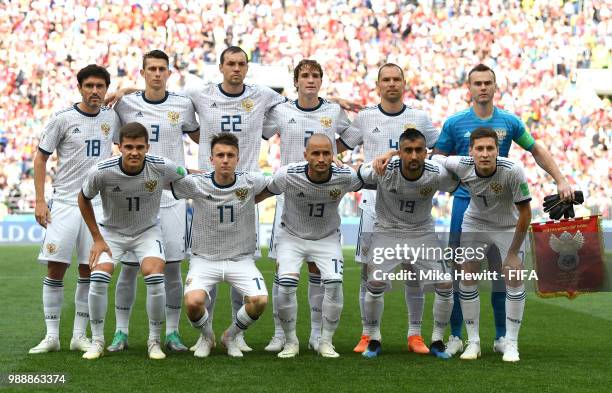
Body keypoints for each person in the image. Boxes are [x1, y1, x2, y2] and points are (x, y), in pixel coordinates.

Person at [432, 63, 572, 356]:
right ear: (468, 88)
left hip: (503, 207)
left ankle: (501, 337)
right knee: (462, 272)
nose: (482, 87)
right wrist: (445, 189)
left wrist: (560, 179)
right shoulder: (454, 123)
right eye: (477, 83)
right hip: (465, 206)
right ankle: (458, 336)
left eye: (487, 83)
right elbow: (437, 161)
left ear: (495, 87)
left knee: (503, 272)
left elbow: (535, 149)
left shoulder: (509, 122)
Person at [261, 59, 359, 352]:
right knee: (283, 269)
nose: (310, 80)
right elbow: (262, 131)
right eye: (305, 75)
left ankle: (317, 334)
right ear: (296, 81)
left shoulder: (332, 110)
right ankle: (280, 333)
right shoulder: (281, 110)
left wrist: (326, 157)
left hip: (321, 191)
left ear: (321, 80)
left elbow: (351, 137)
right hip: (288, 193)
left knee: (319, 269)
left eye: (316, 75)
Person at [343, 63, 440, 354]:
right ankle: (368, 333)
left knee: (414, 272)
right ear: (378, 85)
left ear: (404, 83)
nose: (392, 84)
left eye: (397, 79)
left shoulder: (419, 117)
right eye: (386, 80)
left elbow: (438, 149)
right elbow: (341, 144)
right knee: (368, 271)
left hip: (411, 206)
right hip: (374, 203)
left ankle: (415, 334)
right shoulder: (365, 116)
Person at [108, 49, 199, 353]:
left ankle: (172, 333)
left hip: (171, 196)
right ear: (143, 72)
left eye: (162, 69)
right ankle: (121, 332)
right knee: (130, 268)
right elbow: (104, 106)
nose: (157, 73)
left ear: (169, 73)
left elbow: (202, 135)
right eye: (152, 69)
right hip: (135, 196)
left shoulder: (182, 105)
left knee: (172, 268)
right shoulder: (126, 104)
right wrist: (122, 90)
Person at [77, 122, 189, 360]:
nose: (134, 152)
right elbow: (83, 198)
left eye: (139, 147)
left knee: (155, 275)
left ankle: (154, 341)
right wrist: (97, 238)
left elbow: (185, 175)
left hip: (147, 232)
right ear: (119, 147)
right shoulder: (102, 171)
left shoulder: (161, 166)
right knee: (98, 277)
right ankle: (97, 341)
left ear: (148, 147)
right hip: (111, 233)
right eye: (128, 147)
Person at [29, 64, 120, 354]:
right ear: (79, 87)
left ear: (106, 89)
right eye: (89, 86)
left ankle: (78, 335)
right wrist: (40, 200)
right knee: (56, 268)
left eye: (100, 86)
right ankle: (52, 335)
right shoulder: (62, 118)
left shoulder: (112, 116)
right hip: (66, 203)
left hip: (98, 204)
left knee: (88, 269)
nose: (95, 91)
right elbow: (41, 158)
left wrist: (126, 91)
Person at [258, 134, 364, 358]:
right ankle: (291, 341)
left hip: (327, 237)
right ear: (305, 155)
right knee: (286, 284)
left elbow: (368, 175)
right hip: (292, 237)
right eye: (315, 153)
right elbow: (265, 191)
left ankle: (324, 340)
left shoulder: (344, 176)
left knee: (334, 284)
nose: (321, 158)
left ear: (333, 156)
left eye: (326, 153)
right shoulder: (288, 174)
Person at [433, 127, 532, 362]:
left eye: (490, 148)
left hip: (508, 226)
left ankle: (511, 343)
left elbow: (525, 213)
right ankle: (473, 342)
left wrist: (512, 254)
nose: (485, 153)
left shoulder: (513, 171)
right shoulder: (461, 164)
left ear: (498, 151)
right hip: (475, 222)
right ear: (471, 151)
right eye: (480, 149)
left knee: (514, 276)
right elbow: (436, 158)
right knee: (467, 276)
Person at [358, 128, 458, 359]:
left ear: (426, 152)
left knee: (445, 284)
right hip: (387, 232)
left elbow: (459, 182)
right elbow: (358, 175)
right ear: (399, 152)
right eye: (408, 151)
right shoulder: (383, 168)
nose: (413, 156)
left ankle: (436, 340)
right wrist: (388, 154)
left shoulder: (437, 173)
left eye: (418, 151)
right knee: (374, 282)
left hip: (422, 233)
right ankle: (373, 338)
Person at [171, 133, 269, 358]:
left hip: (240, 259)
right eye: (220, 155)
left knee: (260, 301)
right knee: (193, 303)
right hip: (204, 259)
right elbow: (166, 182)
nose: (225, 160)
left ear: (238, 158)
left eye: (230, 155)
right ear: (211, 159)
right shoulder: (196, 184)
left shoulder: (251, 181)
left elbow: (278, 182)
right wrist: (185, 171)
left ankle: (230, 335)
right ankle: (207, 336)